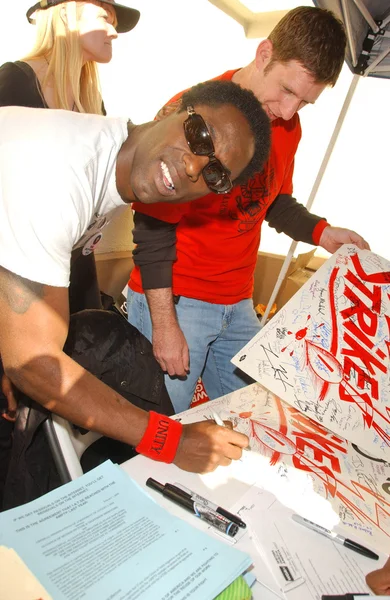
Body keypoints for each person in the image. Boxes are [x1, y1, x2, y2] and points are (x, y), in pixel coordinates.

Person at [0, 79, 271, 477]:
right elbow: (35, 362)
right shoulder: (63, 170)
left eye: (215, 174)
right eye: (200, 135)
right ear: (169, 112)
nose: (194, 167)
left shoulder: (107, 162)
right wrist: (171, 440)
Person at [127, 6, 371, 413]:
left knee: (256, 421)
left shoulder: (288, 127)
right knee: (161, 434)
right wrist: (165, 325)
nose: (290, 111)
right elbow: (151, 223)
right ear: (263, 55)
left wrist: (322, 233)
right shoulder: (192, 111)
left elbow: (270, 198)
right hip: (177, 298)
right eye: (288, 90)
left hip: (238, 303)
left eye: (305, 102)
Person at [0, 0, 140, 503]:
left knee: (54, 430)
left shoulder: (92, 102)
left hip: (73, 282)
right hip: (14, 286)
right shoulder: (11, 83)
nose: (116, 30)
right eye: (105, 15)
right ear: (64, 13)